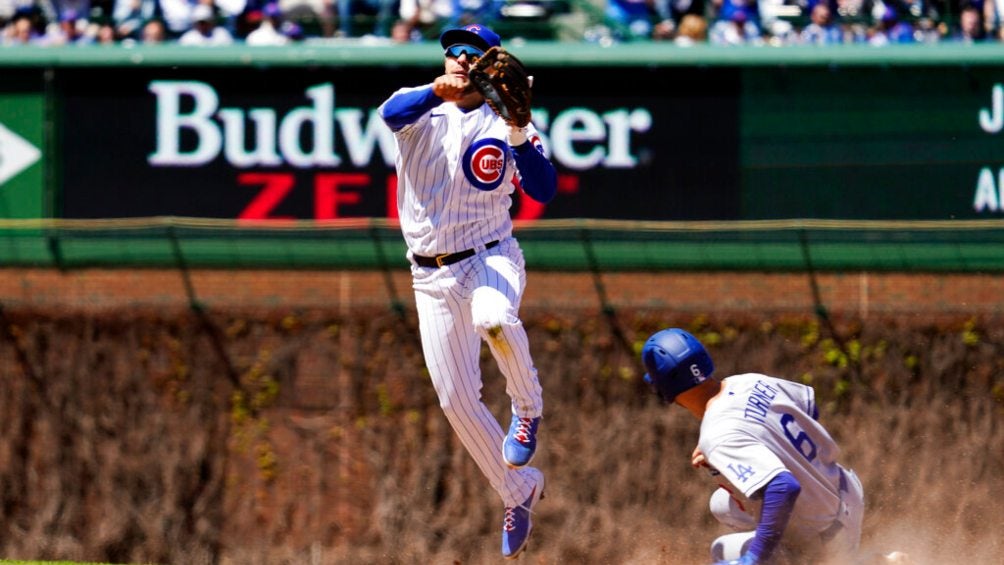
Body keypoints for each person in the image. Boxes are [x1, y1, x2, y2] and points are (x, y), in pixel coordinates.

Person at [377, 23, 556, 560]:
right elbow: (390, 114)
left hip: (490, 256)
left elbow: (545, 187)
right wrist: (435, 90)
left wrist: (521, 129)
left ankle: (527, 407)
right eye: (452, 50)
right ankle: (518, 489)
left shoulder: (506, 124)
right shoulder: (420, 109)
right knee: (455, 401)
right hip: (429, 277)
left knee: (494, 317)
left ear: (490, 65)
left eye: (471, 53)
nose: (458, 58)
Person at [640, 328, 867, 565]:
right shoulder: (749, 381)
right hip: (847, 491)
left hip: (827, 538)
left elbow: (784, 486)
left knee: (722, 551)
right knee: (722, 504)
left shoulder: (716, 434)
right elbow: (810, 411)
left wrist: (755, 558)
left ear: (664, 389)